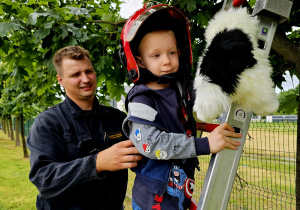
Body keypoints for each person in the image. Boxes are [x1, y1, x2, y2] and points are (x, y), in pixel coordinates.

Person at [119, 2, 242, 210]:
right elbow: (151, 143)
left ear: (180, 52)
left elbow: (209, 93)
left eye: (172, 53)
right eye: (156, 55)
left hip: (180, 192)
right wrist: (204, 144)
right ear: (139, 62)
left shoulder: (180, 88)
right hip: (154, 199)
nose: (167, 61)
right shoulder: (141, 99)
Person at [27, 46, 142, 210]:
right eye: (75, 75)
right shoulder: (47, 122)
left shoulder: (118, 119)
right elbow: (45, 179)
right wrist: (96, 163)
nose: (86, 79)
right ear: (61, 80)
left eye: (89, 71)